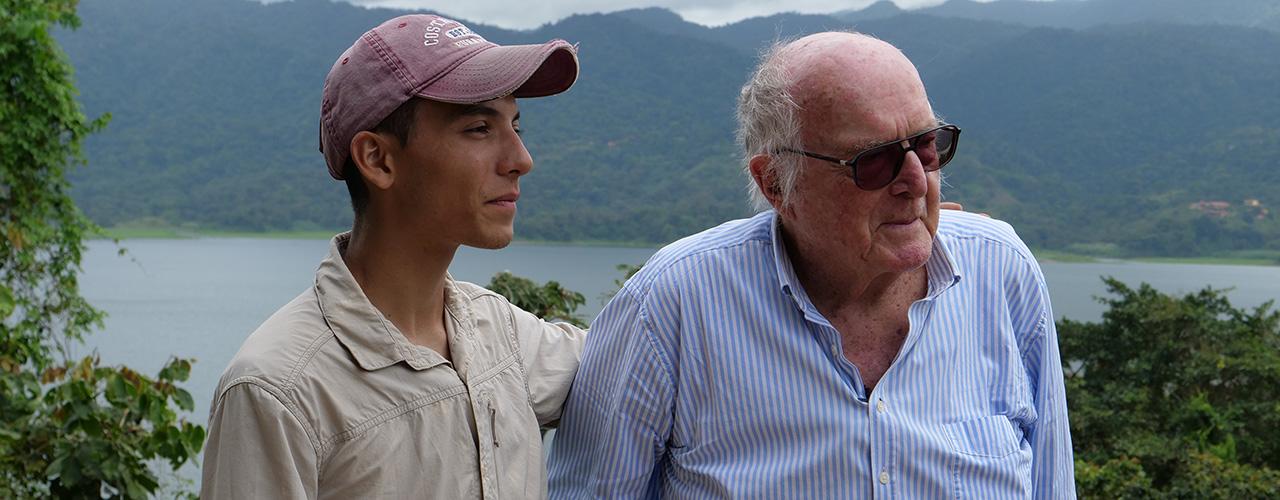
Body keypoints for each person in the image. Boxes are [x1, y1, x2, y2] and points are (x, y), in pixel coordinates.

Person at [548, 32, 1076, 498]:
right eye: (875, 160)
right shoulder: (672, 305)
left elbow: (1052, 483)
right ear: (776, 183)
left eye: (928, 146)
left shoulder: (1001, 271)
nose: (917, 180)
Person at [201, 14, 587, 499]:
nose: (521, 159)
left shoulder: (502, 335)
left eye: (515, 125)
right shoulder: (279, 389)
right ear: (378, 159)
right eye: (478, 128)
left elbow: (646, 363)